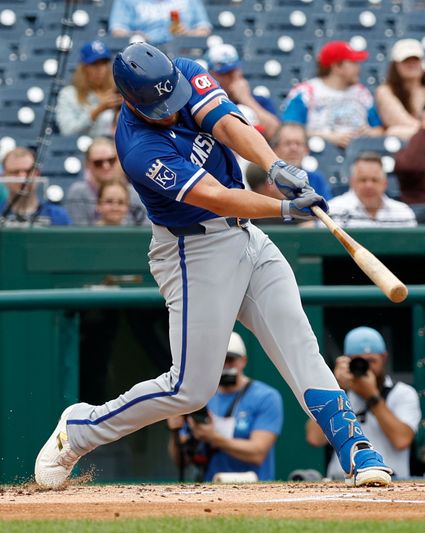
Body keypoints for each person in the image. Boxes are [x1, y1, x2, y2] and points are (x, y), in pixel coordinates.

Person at [34, 42, 392, 490]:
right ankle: (81, 429)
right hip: (192, 252)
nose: (170, 110)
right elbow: (216, 197)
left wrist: (274, 164)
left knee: (299, 342)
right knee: (189, 388)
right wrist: (282, 210)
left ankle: (355, 447)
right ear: (130, 99)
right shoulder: (138, 148)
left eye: (172, 99)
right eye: (157, 106)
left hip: (245, 236)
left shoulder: (181, 72)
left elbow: (228, 124)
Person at [306, 327, 421, 480]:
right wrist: (334, 385)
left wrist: (372, 396)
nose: (366, 368)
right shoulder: (341, 392)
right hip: (341, 480)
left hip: (390, 479)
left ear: (384, 358)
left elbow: (402, 440)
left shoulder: (403, 393)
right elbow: (314, 438)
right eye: (359, 361)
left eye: (372, 361)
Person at [166, 332, 283, 481]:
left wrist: (213, 437)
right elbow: (181, 461)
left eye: (231, 360)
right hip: (212, 489)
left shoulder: (266, 397)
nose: (225, 366)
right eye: (220, 360)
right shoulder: (200, 397)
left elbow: (258, 453)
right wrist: (175, 432)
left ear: (243, 361)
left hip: (254, 488)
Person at [282, 41, 383, 149]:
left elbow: (379, 129)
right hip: (317, 153)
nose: (358, 68)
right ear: (337, 67)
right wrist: (327, 138)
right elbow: (288, 131)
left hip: (359, 154)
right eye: (353, 63)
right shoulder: (306, 91)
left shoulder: (362, 92)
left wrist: (370, 133)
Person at [374, 39, 425, 140]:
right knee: (395, 132)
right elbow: (398, 120)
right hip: (408, 142)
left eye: (416, 60)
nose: (411, 64)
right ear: (396, 65)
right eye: (406, 60)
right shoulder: (385, 91)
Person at [205, 44, 280, 140]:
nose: (231, 77)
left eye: (233, 71)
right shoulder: (207, 103)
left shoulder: (259, 100)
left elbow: (276, 135)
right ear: (211, 75)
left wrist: (246, 99)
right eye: (224, 73)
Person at [64, 137, 145, 225]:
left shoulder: (135, 193)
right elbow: (78, 234)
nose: (106, 166)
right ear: (87, 164)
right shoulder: (78, 193)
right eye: (98, 163)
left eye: (111, 160)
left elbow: (146, 231)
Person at [325, 152, 416, 228]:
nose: (369, 185)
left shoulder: (403, 212)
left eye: (375, 180)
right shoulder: (334, 210)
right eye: (363, 180)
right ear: (352, 182)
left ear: (385, 183)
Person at [56, 40, 121, 138]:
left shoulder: (118, 90)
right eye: (94, 64)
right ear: (83, 68)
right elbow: (67, 131)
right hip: (85, 148)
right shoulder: (69, 94)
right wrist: (98, 110)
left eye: (103, 63)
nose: (100, 69)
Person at [0, 147, 71, 226]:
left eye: (28, 171)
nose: (23, 178)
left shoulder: (58, 216)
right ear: (3, 176)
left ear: (37, 174)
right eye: (15, 172)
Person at [271, 123, 332, 201]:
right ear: (275, 149)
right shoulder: (267, 180)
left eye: (298, 144)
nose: (293, 148)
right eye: (287, 143)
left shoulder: (316, 179)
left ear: (306, 150)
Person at [109, 0, 211, 45]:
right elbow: (117, 29)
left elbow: (204, 28)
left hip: (182, 51)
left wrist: (189, 33)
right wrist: (135, 35)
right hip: (143, 53)